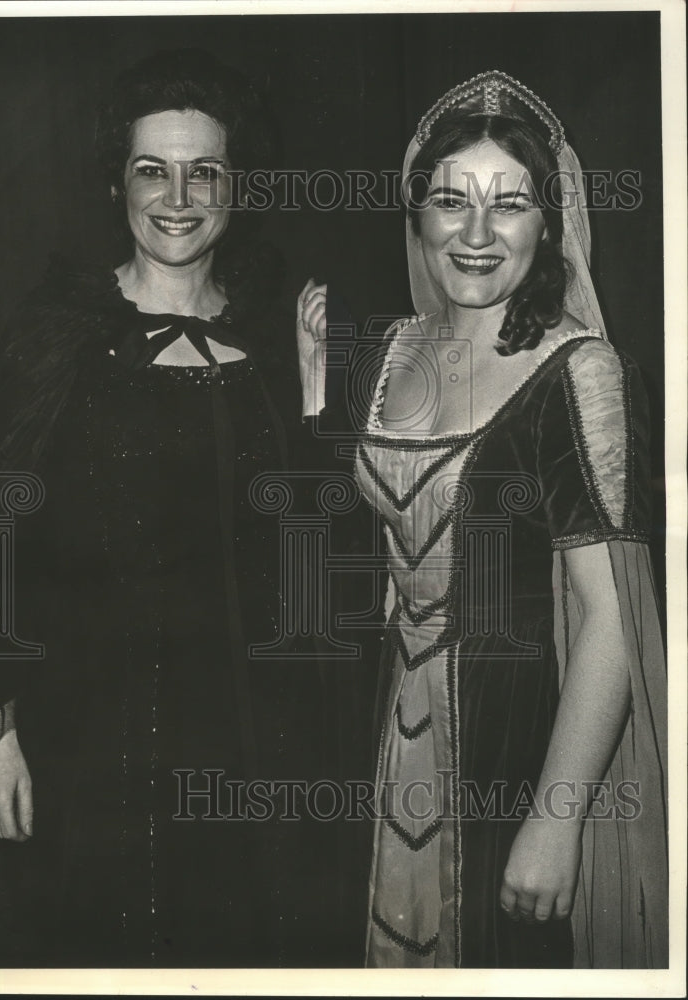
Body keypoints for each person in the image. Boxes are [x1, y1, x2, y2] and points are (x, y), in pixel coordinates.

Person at [0, 48, 368, 968]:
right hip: (83, 743)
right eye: (152, 170)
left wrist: (312, 400)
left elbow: (317, 565)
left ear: (236, 185)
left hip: (246, 746)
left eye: (203, 171)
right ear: (118, 185)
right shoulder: (53, 334)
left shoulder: (279, 338)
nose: (178, 197)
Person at [351, 71, 667, 968]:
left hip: (512, 742)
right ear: (416, 213)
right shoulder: (387, 350)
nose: (477, 235)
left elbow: (612, 615)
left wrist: (555, 820)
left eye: (510, 205)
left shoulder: (582, 374)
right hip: (378, 732)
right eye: (451, 201)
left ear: (550, 222)